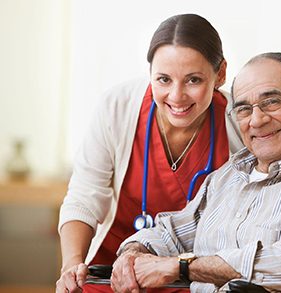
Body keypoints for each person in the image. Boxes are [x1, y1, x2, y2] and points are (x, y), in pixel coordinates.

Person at [110, 52, 281, 293]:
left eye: (271, 101)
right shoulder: (227, 178)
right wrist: (134, 251)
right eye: (244, 109)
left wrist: (182, 266)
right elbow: (171, 233)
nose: (256, 120)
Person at [56, 13, 244, 293]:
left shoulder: (241, 122)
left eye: (193, 80)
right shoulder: (117, 107)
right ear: (150, 74)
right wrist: (71, 264)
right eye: (164, 79)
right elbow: (85, 194)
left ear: (221, 74)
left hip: (196, 277)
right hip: (111, 273)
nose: (177, 96)